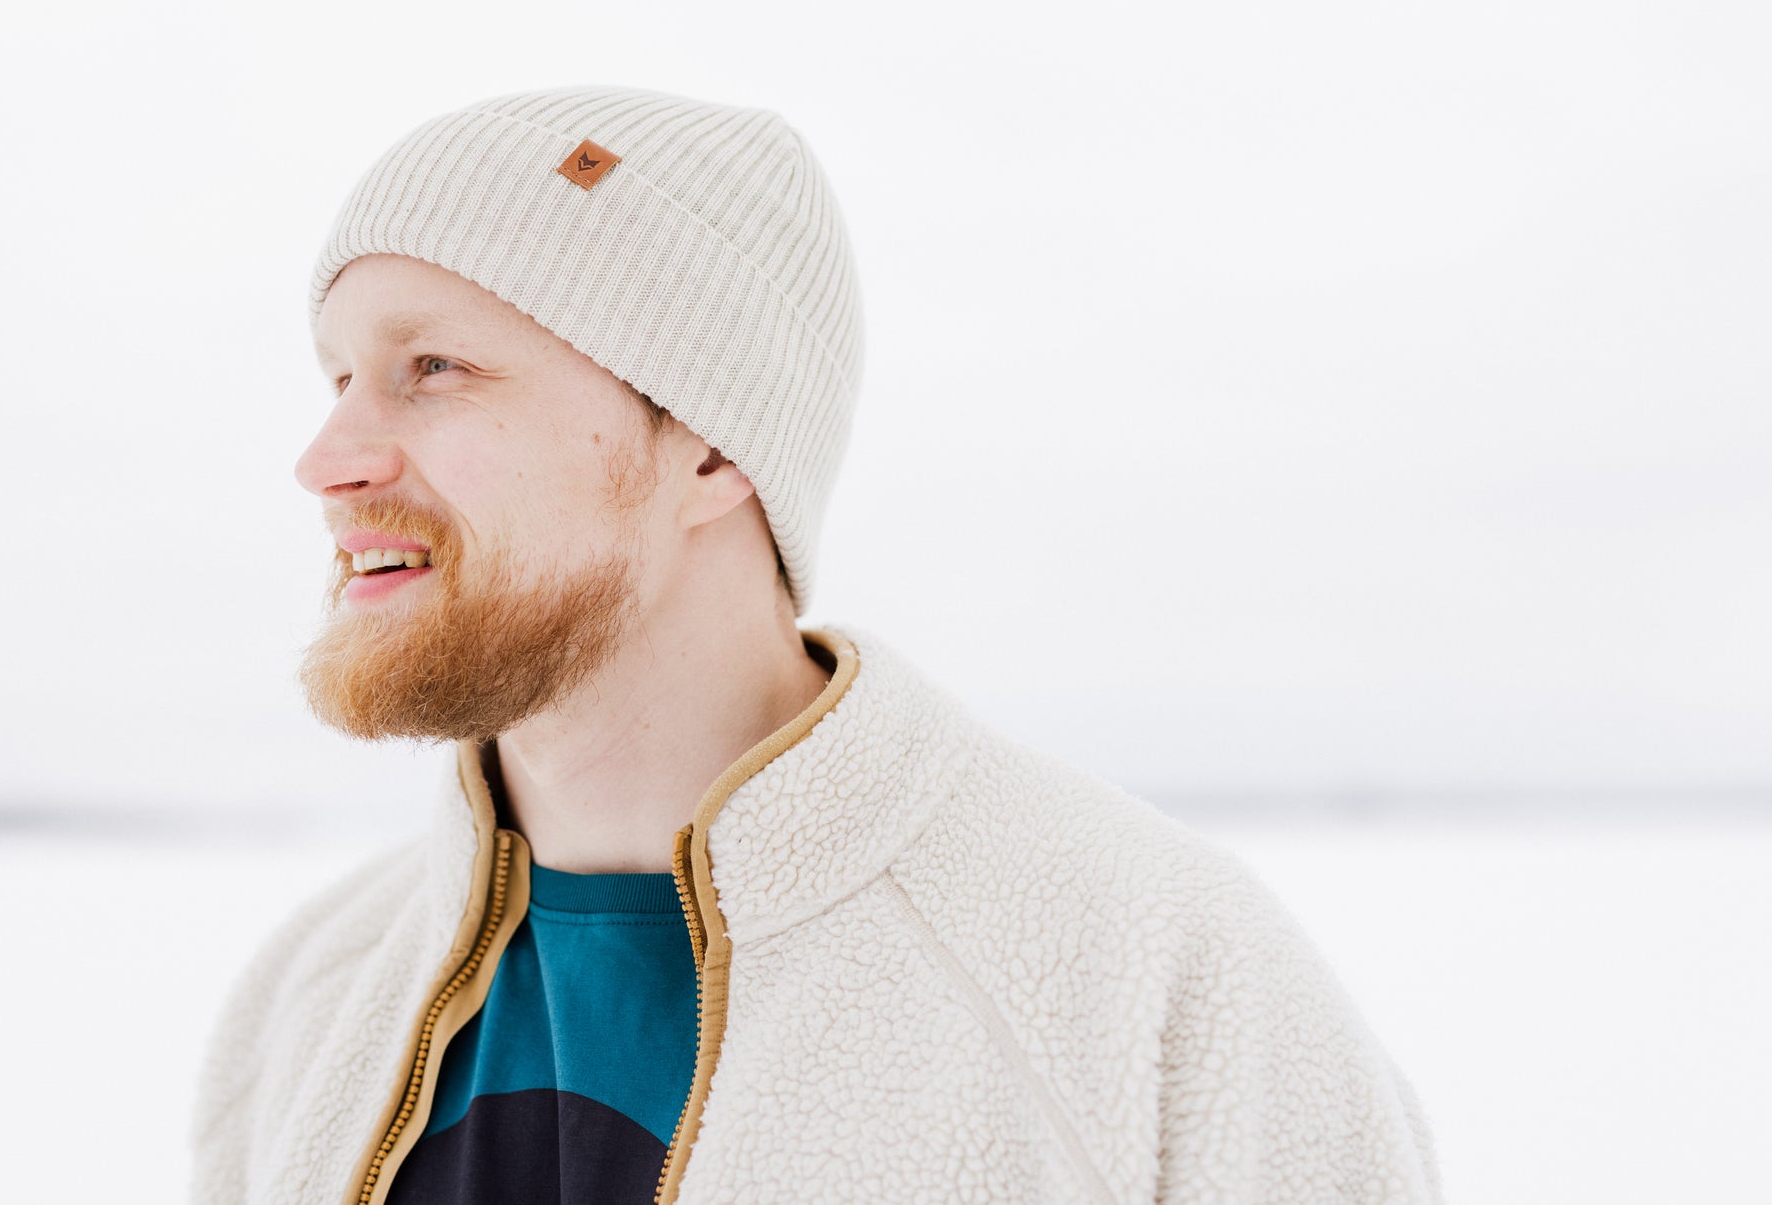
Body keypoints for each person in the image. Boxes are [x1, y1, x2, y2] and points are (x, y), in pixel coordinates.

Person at [190, 84, 1444, 1205]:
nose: (327, 461)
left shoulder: (1149, 980)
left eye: (434, 367)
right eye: (336, 378)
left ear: (715, 447)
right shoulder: (310, 998)